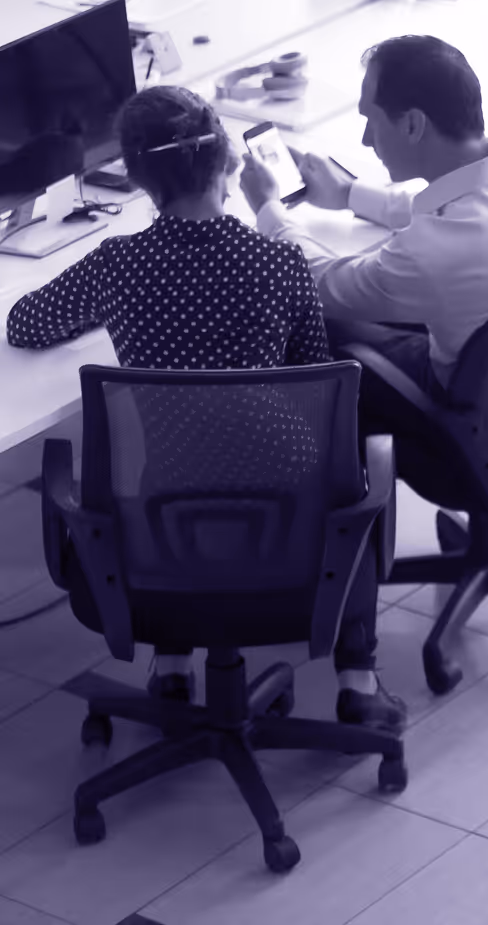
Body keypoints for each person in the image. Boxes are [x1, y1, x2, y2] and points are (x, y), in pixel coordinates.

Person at [6, 86, 401, 731]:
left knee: (178, 455)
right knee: (346, 471)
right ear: (229, 162)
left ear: (138, 180)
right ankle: (357, 678)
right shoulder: (280, 263)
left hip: (157, 525)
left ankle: (172, 663)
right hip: (288, 524)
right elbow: (315, 381)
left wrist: (112, 315)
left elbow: (24, 324)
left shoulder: (118, 266)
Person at [238, 35, 488, 466]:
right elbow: (461, 203)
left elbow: (321, 284)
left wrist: (268, 209)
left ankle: (317, 491)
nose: (365, 139)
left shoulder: (432, 253)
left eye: (371, 120)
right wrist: (349, 194)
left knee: (318, 327)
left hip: (481, 432)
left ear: (413, 125)